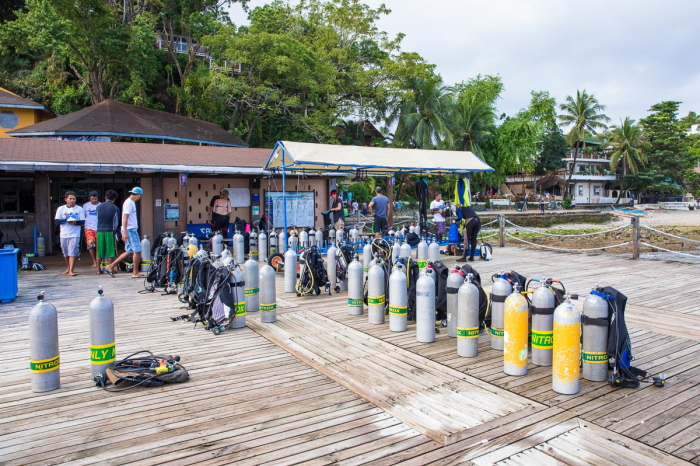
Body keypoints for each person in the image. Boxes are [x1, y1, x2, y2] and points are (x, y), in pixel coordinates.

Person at [109, 187, 144, 278]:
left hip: (129, 229)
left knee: (129, 251)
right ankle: (135, 272)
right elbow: (125, 217)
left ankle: (111, 265)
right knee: (137, 250)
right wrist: (124, 232)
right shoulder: (129, 203)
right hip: (130, 229)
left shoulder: (130, 202)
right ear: (139, 195)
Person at [54, 191, 85, 276]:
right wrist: (66, 221)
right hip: (64, 234)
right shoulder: (61, 209)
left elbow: (82, 221)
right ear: (66, 199)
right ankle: (68, 268)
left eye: (74, 199)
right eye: (70, 199)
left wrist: (75, 223)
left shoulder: (80, 209)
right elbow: (57, 221)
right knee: (65, 252)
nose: (72, 200)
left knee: (72, 251)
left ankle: (71, 270)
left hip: (75, 234)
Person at [96, 190, 120, 276]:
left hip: (99, 230)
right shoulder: (115, 208)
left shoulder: (98, 207)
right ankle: (111, 268)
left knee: (100, 251)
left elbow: (97, 219)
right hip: (110, 230)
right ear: (114, 199)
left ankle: (98, 270)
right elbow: (116, 222)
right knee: (110, 250)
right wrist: (115, 230)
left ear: (105, 197)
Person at [82, 190, 101, 269]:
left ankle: (98, 261)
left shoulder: (101, 205)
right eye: (92, 199)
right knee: (90, 245)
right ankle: (94, 261)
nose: (94, 200)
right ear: (90, 198)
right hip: (88, 227)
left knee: (98, 245)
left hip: (99, 227)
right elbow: (83, 216)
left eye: (96, 199)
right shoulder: (85, 206)